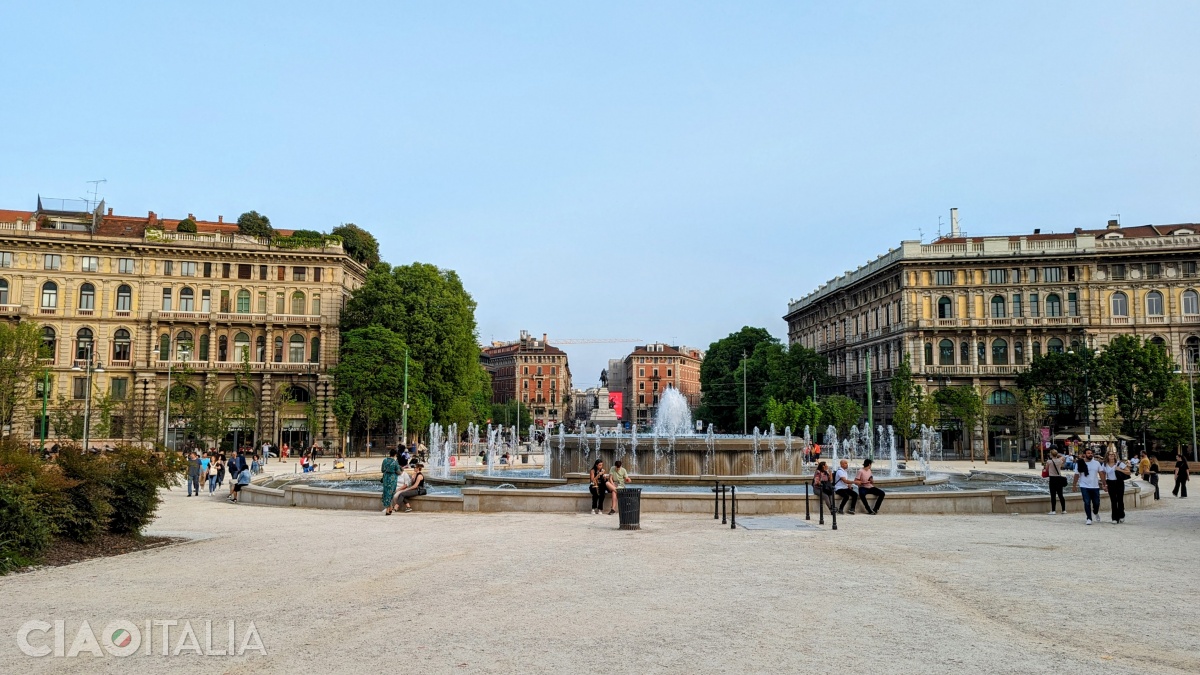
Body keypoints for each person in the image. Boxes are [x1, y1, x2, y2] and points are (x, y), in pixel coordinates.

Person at [1071, 447, 1102, 525]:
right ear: (1084, 455)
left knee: (1096, 502)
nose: (1090, 454)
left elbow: (1101, 473)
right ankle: (1089, 518)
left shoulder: (1097, 463)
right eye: (1088, 453)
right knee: (1087, 502)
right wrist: (1074, 485)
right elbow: (1077, 475)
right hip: (1084, 485)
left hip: (1095, 486)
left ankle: (1095, 512)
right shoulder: (1080, 463)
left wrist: (1104, 483)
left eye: (1091, 453)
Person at [1101, 449, 1130, 524]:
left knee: (1120, 499)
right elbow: (1103, 474)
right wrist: (1104, 484)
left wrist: (1120, 469)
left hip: (1119, 482)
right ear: (1107, 456)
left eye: (1113, 455)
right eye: (1110, 455)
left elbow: (1128, 472)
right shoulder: (1104, 464)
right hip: (1110, 482)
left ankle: (1121, 515)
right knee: (1113, 500)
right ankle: (1114, 517)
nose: (1111, 456)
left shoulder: (1119, 463)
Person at [1045, 449, 1067, 515]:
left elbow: (1046, 469)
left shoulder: (1049, 461)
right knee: (1061, 495)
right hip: (1059, 478)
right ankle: (1063, 510)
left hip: (1052, 479)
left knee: (1053, 495)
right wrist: (1058, 455)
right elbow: (1063, 457)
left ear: (1051, 454)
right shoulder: (1060, 461)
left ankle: (1053, 510)